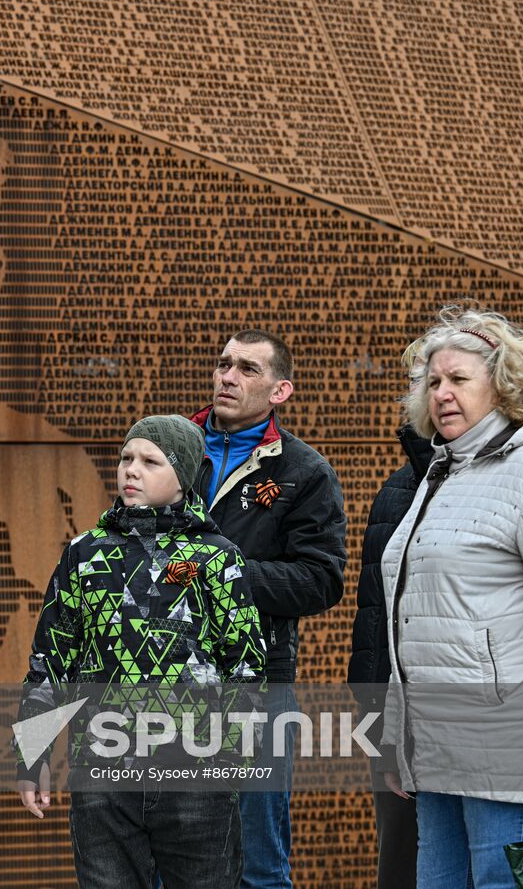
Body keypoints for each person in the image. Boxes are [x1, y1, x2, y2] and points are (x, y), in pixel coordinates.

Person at [380, 306, 523, 889]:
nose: (442, 394)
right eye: (433, 383)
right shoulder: (444, 471)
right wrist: (398, 738)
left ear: (504, 386)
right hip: (436, 750)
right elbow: (415, 619)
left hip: (512, 753)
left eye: (459, 380)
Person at [17, 415, 266, 889]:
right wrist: (32, 755)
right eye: (126, 458)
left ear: (183, 477)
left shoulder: (216, 556)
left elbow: (245, 664)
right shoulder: (84, 554)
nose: (132, 469)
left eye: (151, 461)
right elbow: (51, 659)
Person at [188, 330, 347, 889]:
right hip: (158, 680)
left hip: (254, 685)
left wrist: (224, 575)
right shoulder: (170, 449)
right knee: (166, 860)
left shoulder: (304, 471)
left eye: (248, 369)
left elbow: (321, 580)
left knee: (256, 864)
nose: (228, 376)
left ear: (281, 390)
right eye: (223, 364)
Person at [346, 421, 432, 888]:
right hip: (391, 714)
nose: (435, 393)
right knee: (401, 862)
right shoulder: (397, 490)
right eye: (423, 381)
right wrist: (375, 720)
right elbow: (375, 616)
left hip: (477, 718)